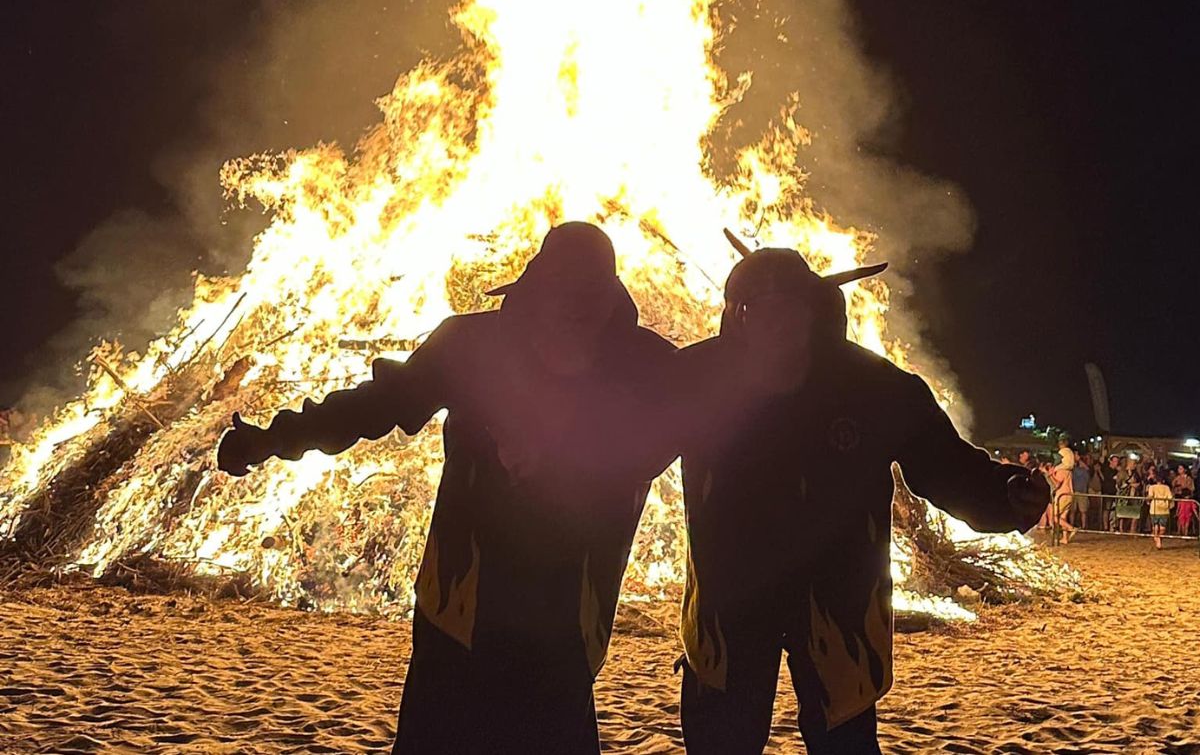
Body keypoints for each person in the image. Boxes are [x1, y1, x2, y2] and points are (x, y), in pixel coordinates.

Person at [216, 223, 678, 754]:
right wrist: (274, 438)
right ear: (536, 288)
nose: (574, 312)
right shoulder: (472, 347)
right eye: (562, 293)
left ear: (610, 299)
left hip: (566, 612)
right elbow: (378, 404)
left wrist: (565, 456)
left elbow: (665, 438)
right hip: (462, 603)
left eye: (588, 297)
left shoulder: (643, 364)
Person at [671, 236, 1049, 755]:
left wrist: (1004, 494)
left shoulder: (874, 388)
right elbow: (623, 446)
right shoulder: (696, 378)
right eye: (755, 305)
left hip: (837, 604)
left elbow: (944, 465)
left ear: (814, 310)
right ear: (736, 313)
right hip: (728, 606)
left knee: (843, 742)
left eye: (789, 305)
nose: (773, 319)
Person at [1147, 474, 1174, 549]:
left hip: (1154, 508)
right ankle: (1158, 539)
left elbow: (1150, 496)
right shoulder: (1167, 488)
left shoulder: (1152, 487)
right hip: (1164, 509)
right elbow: (1170, 497)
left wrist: (1147, 500)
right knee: (1162, 527)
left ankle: (1156, 538)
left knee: (1155, 525)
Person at [1172, 465, 1196, 535]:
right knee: (1179, 515)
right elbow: (1173, 485)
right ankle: (1179, 530)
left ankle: (1185, 531)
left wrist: (1184, 488)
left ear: (1185, 470)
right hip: (1178, 497)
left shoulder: (1189, 478)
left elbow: (1192, 488)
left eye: (1181, 468)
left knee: (1187, 517)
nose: (1179, 470)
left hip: (1186, 497)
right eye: (1178, 468)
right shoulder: (1177, 478)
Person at [1071, 455, 1092, 530]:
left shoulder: (1081, 471)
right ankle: (1080, 526)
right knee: (1080, 511)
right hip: (1079, 492)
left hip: (1076, 492)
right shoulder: (1084, 471)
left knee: (1077, 511)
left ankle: (1072, 525)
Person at [1100, 455, 1119, 531]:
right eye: (1114, 461)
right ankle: (1105, 526)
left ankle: (1113, 525)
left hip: (1115, 492)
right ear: (1110, 461)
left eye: (1117, 461)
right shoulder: (1107, 470)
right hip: (1108, 491)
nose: (1116, 463)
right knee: (1107, 509)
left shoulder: (1117, 471)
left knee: (1114, 510)